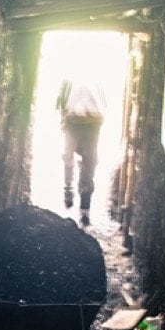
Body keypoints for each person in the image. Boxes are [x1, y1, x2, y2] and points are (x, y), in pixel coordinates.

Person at [56, 77, 105, 226]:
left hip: (90, 121)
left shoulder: (94, 78)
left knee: (87, 160)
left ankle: (84, 203)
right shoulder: (74, 77)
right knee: (75, 157)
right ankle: (71, 191)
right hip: (81, 120)